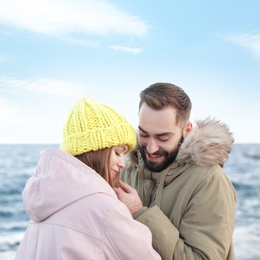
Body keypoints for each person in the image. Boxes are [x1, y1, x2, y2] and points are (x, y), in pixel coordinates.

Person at [15, 98, 161, 259]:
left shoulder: (42, 206)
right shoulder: (107, 210)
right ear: (96, 150)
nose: (122, 164)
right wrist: (138, 211)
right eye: (118, 152)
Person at [116, 82, 237, 259]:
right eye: (143, 134)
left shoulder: (210, 182)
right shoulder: (126, 167)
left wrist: (139, 213)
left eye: (163, 137)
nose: (150, 148)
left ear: (186, 130)